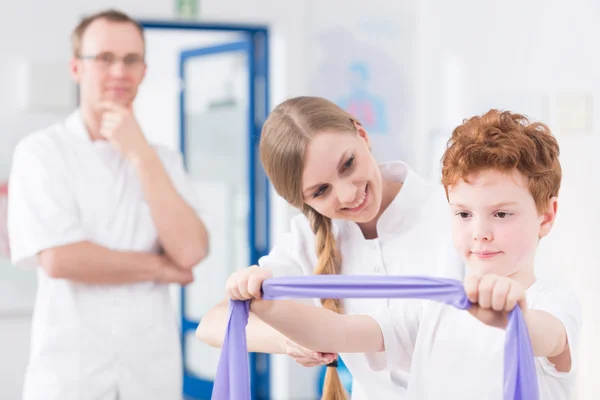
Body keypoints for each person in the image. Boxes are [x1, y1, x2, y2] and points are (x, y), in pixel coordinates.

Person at [226, 110, 583, 399]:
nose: (480, 231)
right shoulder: (431, 308)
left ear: (546, 217)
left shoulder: (549, 303)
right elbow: (335, 331)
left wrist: (511, 315)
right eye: (463, 214)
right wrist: (262, 301)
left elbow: (548, 336)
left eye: (501, 214)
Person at [196, 96, 464, 399]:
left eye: (348, 164)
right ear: (300, 201)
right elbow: (212, 324)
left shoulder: (456, 212)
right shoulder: (309, 238)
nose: (349, 195)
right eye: (321, 191)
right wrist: (289, 340)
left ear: (362, 134)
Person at [7, 9, 209, 400]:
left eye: (131, 59)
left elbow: (190, 251)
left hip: (151, 374)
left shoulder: (163, 159)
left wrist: (140, 156)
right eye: (104, 58)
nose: (119, 71)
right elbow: (61, 260)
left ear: (144, 71)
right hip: (70, 376)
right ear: (76, 68)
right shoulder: (41, 153)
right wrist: (160, 267)